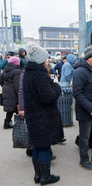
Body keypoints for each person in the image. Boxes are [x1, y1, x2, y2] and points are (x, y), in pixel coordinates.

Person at [23, 42, 63, 185]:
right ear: (40, 59)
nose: (48, 61)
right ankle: (46, 177)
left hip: (33, 116)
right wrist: (57, 88)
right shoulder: (39, 75)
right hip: (43, 117)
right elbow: (49, 97)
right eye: (46, 58)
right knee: (44, 146)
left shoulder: (28, 73)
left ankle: (38, 176)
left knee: (37, 146)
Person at [0, 56, 21, 129]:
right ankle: (20, 124)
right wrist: (20, 93)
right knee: (17, 107)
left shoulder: (5, 70)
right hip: (13, 91)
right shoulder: (17, 71)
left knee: (11, 108)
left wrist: (5, 86)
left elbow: (1, 80)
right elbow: (17, 84)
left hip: (6, 90)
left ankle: (7, 123)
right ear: (16, 63)